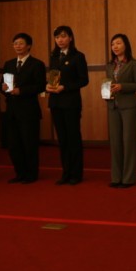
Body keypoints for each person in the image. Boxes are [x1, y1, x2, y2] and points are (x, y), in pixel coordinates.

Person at [0, 33, 46, 184]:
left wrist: (22, 91)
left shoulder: (37, 64)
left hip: (29, 111)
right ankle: (19, 173)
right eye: (15, 43)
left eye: (21, 43)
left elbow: (40, 86)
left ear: (28, 46)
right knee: (14, 145)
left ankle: (31, 174)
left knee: (29, 144)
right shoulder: (9, 64)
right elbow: (2, 86)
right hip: (12, 111)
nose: (17, 46)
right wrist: (3, 88)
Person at [46, 25, 89, 185]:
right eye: (57, 37)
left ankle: (76, 174)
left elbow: (83, 80)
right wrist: (47, 86)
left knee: (73, 138)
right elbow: (52, 77)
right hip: (55, 103)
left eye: (63, 36)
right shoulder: (54, 56)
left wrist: (65, 87)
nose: (60, 40)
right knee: (62, 140)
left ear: (70, 38)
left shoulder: (78, 56)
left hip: (71, 103)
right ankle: (66, 172)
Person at [105, 34, 136, 189]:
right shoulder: (110, 65)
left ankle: (128, 178)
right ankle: (116, 177)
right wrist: (106, 91)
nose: (115, 46)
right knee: (115, 142)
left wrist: (122, 86)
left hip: (129, 107)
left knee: (128, 142)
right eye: (113, 44)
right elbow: (108, 83)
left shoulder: (134, 64)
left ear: (125, 45)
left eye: (118, 43)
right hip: (112, 106)